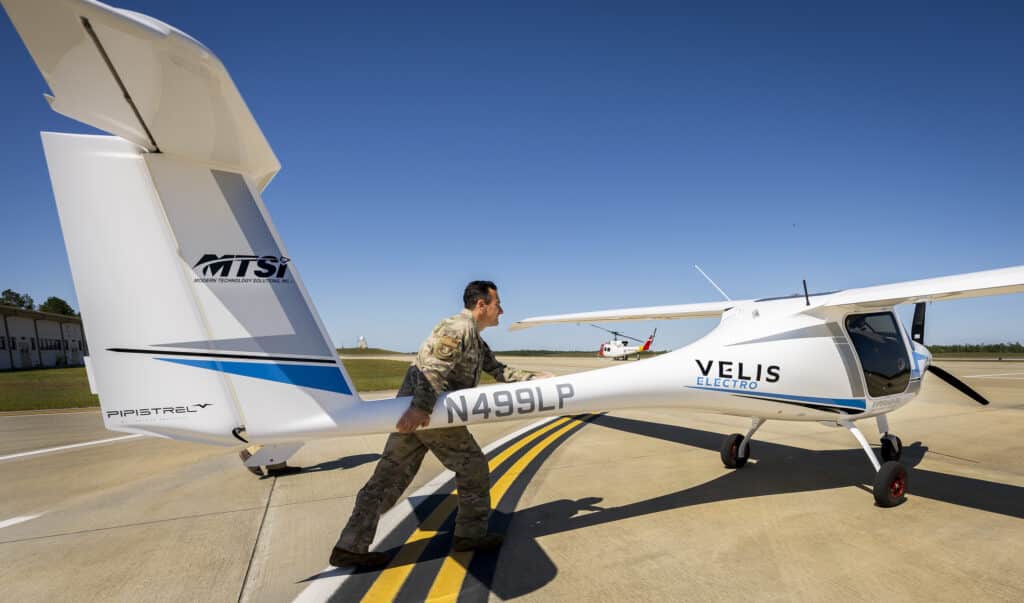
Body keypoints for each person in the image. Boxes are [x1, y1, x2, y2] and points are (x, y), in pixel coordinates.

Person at [329, 280, 552, 569]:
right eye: (498, 304)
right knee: (472, 467)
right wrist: (420, 409)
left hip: (418, 412)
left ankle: (350, 546)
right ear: (481, 305)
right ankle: (469, 535)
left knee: (388, 478)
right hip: (430, 413)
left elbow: (497, 369)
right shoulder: (457, 329)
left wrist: (535, 380)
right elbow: (430, 368)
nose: (502, 310)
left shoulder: (473, 336)